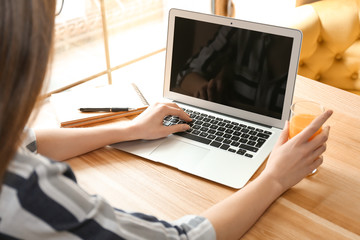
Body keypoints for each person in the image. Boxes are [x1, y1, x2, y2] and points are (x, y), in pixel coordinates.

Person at [0, 1, 332, 239]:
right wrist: (274, 179)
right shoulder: (29, 192)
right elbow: (183, 237)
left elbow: (29, 141)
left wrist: (131, 129)